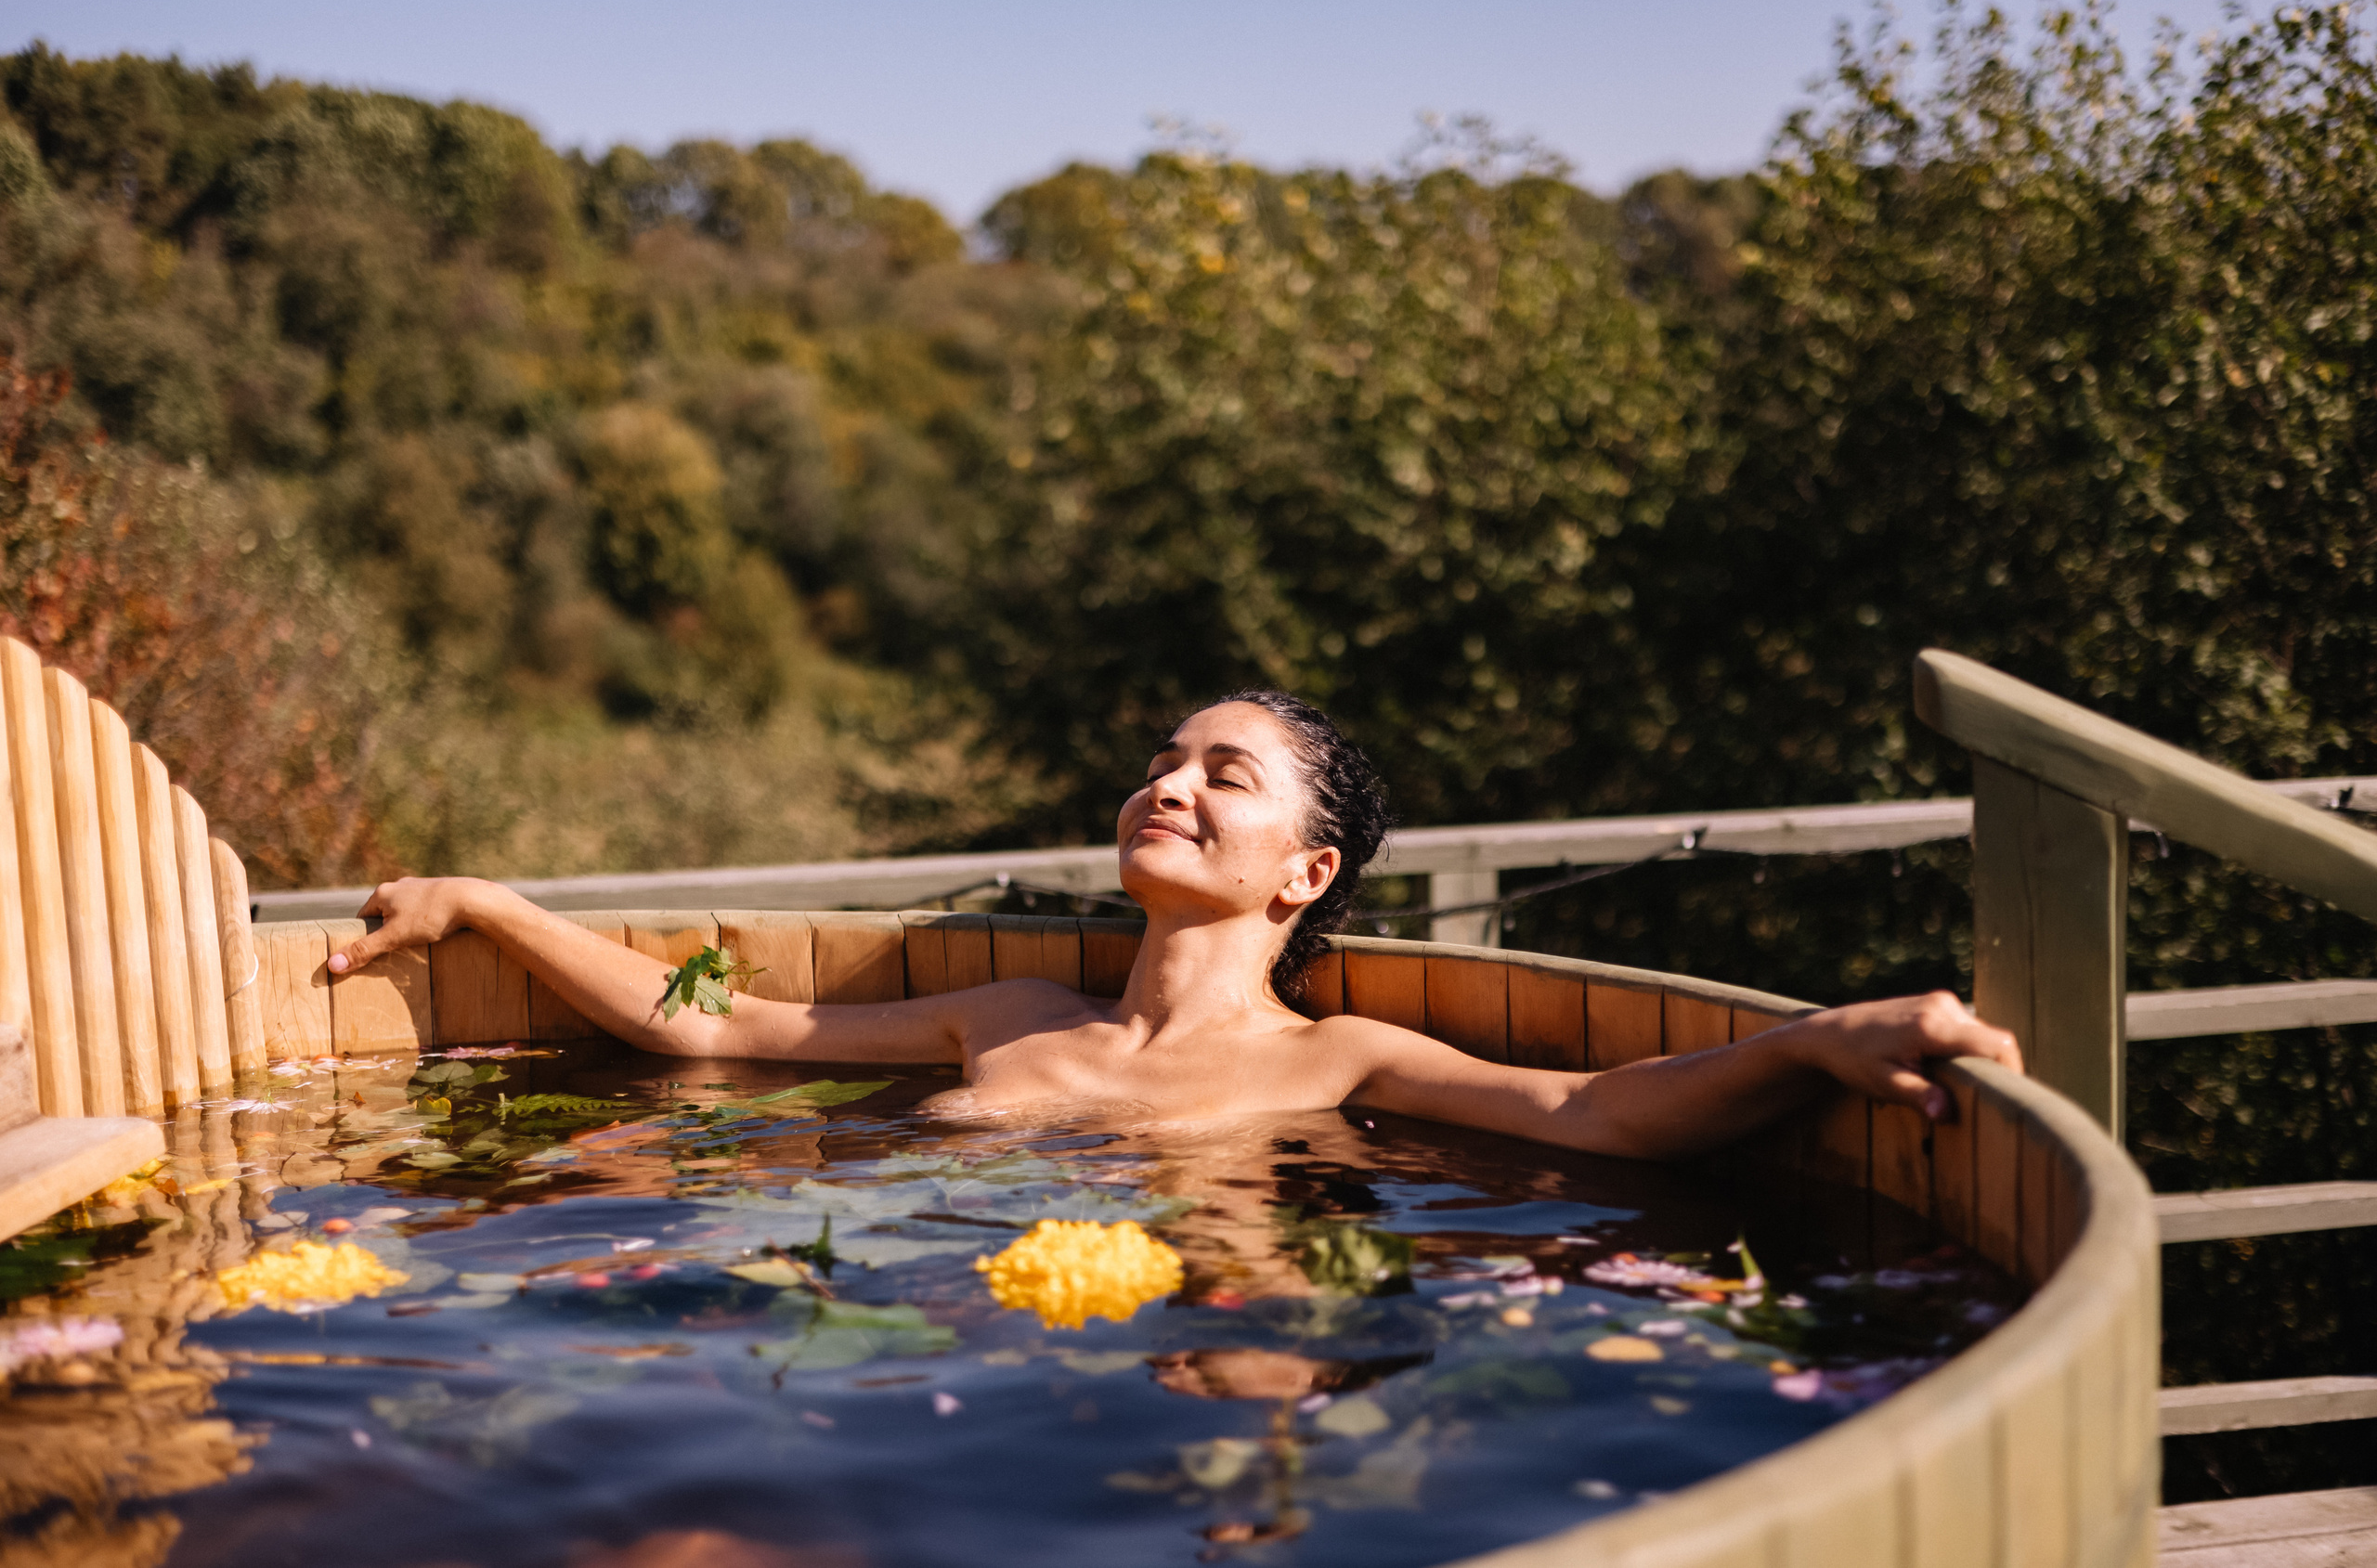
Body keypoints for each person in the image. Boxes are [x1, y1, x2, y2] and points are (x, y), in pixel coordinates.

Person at [330, 689, 2022, 1160]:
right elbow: (709, 1032)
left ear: (1308, 873)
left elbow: (1588, 1115)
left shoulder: (1340, 1057)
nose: (1173, 785)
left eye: (1229, 774)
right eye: (1164, 760)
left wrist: (1824, 1037)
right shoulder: (996, 1016)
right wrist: (486, 902)